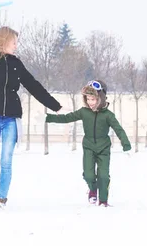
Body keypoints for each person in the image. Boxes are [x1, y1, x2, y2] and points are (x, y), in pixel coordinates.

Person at [0, 2, 65, 208]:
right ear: (4, 41)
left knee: (7, 161)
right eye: (14, 42)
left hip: (11, 117)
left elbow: (34, 86)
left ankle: (2, 197)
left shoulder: (17, 64)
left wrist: (56, 106)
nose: (16, 45)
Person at [45, 79, 131, 207]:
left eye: (93, 99)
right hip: (89, 147)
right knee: (89, 174)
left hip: (104, 148)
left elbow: (118, 129)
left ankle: (103, 201)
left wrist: (126, 144)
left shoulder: (108, 115)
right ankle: (92, 189)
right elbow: (67, 118)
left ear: (100, 98)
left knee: (103, 176)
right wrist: (49, 117)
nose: (90, 102)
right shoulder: (84, 112)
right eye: (88, 99)